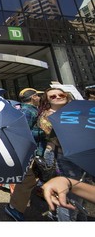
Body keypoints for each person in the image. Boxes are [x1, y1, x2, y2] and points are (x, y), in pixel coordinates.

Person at [38, 87, 87, 221]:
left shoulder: (78, 111)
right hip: (62, 157)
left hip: (82, 156)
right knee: (68, 194)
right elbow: (58, 139)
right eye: (53, 96)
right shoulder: (47, 116)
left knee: (81, 191)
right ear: (47, 100)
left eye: (61, 94)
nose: (58, 97)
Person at [4, 88, 45, 221]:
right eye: (38, 96)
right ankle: (14, 208)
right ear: (33, 97)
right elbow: (22, 132)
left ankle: (15, 206)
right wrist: (43, 132)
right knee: (27, 180)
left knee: (28, 180)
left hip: (26, 150)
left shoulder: (27, 109)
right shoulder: (28, 110)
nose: (39, 98)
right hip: (25, 150)